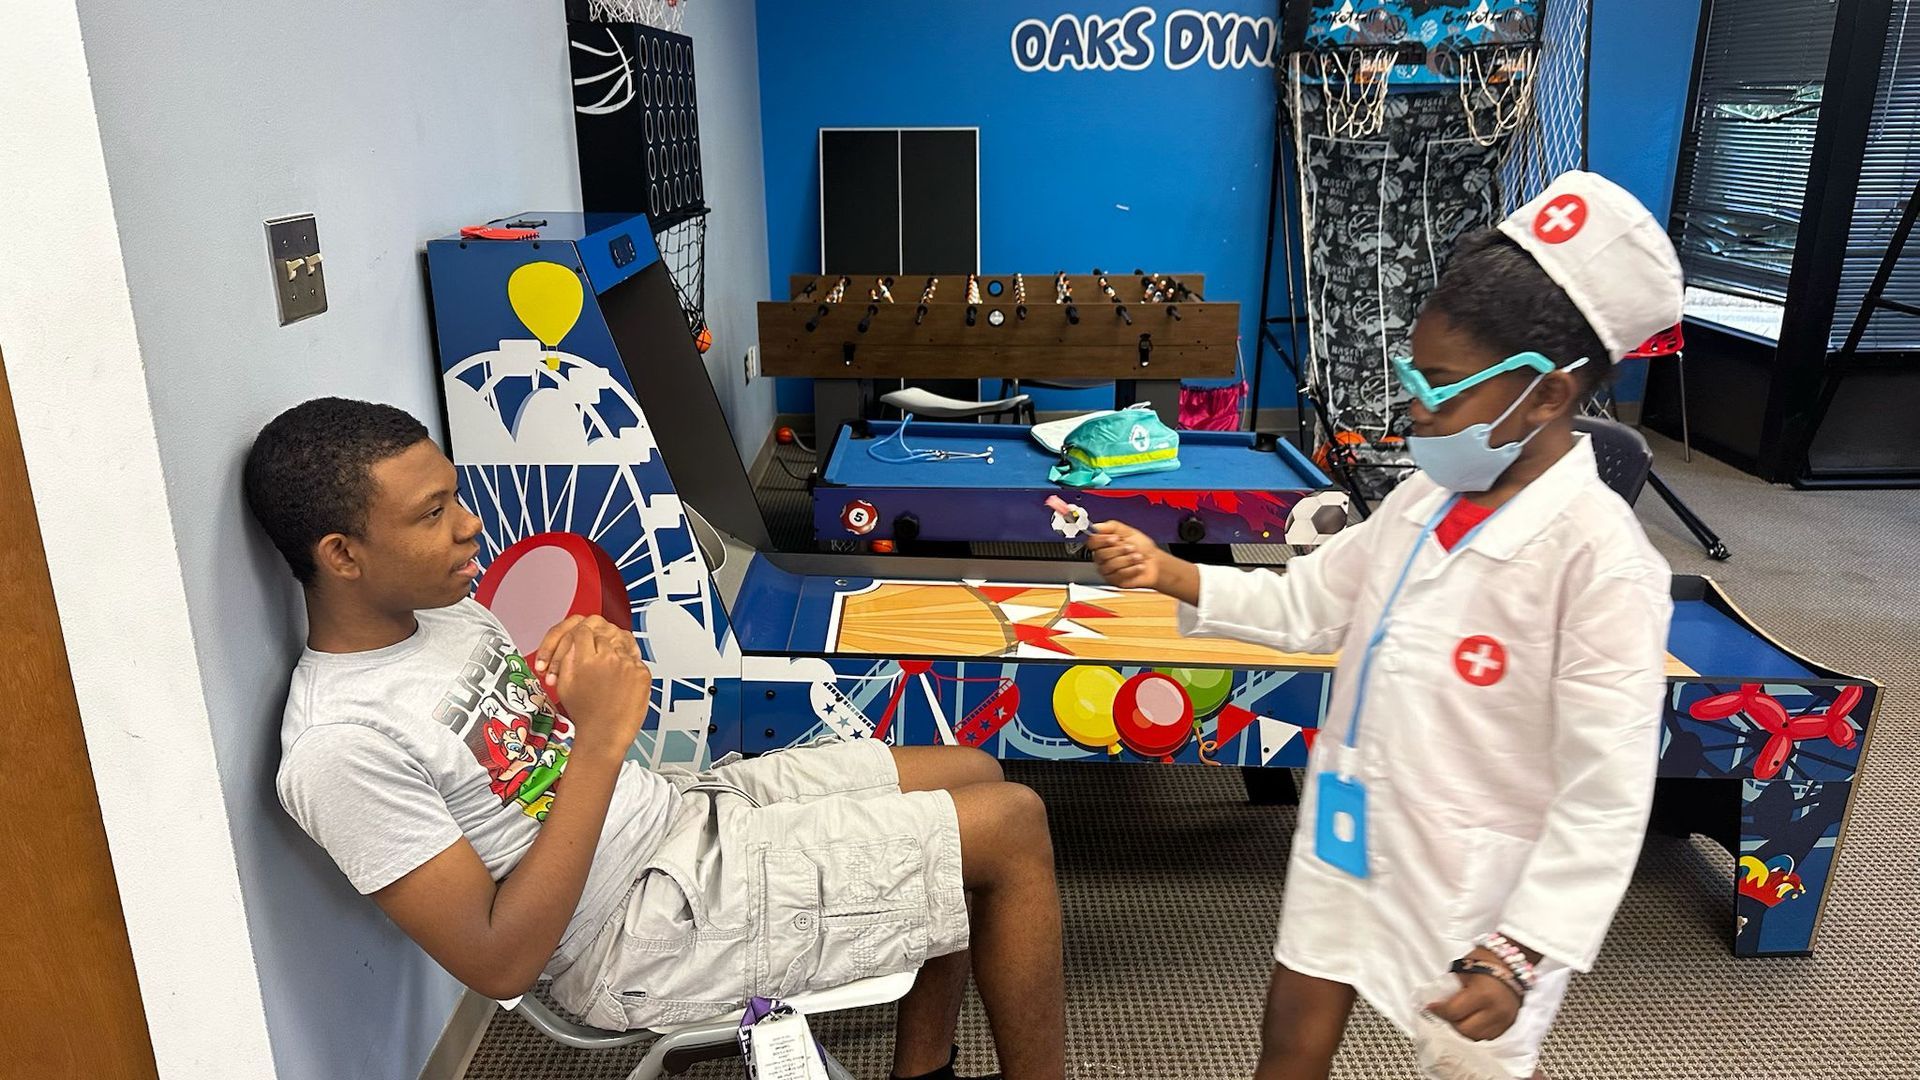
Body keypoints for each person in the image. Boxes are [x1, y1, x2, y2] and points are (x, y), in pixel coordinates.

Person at [244, 397, 1065, 1080]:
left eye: (455, 497)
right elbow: (499, 964)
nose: (469, 525)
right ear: (342, 555)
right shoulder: (340, 746)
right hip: (634, 932)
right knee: (1011, 824)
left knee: (973, 771)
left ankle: (922, 1070)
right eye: (433, 514)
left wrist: (588, 663)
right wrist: (602, 743)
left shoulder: (445, 614)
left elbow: (530, 756)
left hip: (683, 815)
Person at [1088, 172, 1683, 1080]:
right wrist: (1172, 573)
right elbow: (1307, 605)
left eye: (1440, 387)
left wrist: (1522, 947)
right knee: (1292, 1029)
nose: (1413, 409)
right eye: (1413, 377)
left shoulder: (1602, 564)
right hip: (1351, 826)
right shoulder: (1421, 499)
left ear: (1547, 396)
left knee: (1462, 1062)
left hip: (1480, 892)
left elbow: (1606, 793)